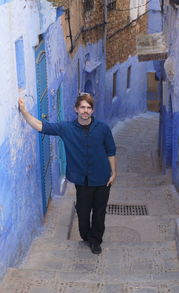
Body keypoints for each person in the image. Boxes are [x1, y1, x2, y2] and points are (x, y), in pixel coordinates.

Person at [18, 93, 116, 255]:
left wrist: (114, 173)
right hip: (82, 180)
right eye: (82, 107)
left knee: (99, 212)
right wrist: (24, 111)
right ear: (76, 109)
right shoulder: (66, 128)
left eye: (88, 108)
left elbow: (110, 151)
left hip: (101, 178)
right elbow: (41, 126)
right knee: (83, 214)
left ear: (92, 110)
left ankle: (95, 241)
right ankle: (86, 236)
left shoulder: (103, 129)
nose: (85, 111)